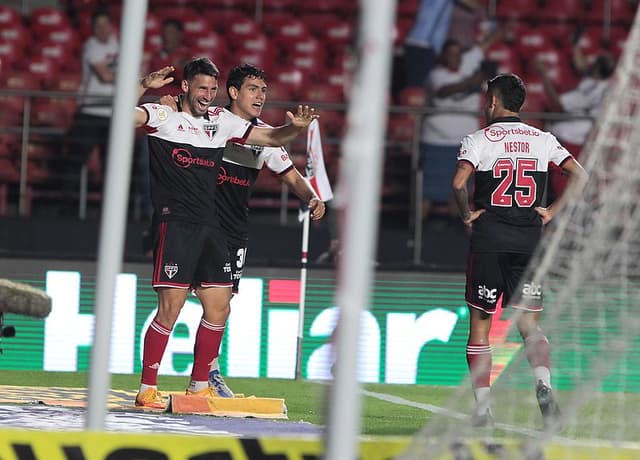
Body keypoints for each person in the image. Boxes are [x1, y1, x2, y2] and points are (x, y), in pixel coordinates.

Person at [133, 59, 318, 409]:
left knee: (219, 308)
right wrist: (144, 84)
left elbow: (271, 137)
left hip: (211, 226)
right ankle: (147, 388)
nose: (207, 95)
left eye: (211, 89)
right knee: (169, 308)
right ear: (185, 87)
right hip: (176, 225)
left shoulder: (222, 123)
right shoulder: (163, 116)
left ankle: (200, 385)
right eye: (201, 87)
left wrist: (295, 129)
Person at [451, 74, 588, 429]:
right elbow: (582, 176)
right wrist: (552, 212)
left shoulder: (478, 139)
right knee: (529, 324)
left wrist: (467, 214)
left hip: (490, 238)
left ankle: (483, 409)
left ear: (493, 102)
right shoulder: (543, 139)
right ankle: (543, 384)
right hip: (529, 240)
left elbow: (458, 183)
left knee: (481, 326)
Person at [420, 35, 497, 224]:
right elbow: (444, 91)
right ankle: (417, 229)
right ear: (443, 56)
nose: (455, 58)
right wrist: (473, 81)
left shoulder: (469, 68)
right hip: (437, 141)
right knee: (429, 190)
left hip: (465, 142)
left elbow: (484, 44)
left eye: (457, 54)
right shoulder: (436, 74)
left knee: (460, 187)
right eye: (450, 54)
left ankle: (455, 228)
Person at [533, 45, 613, 199]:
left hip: (570, 140)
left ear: (596, 69)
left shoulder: (595, 88)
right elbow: (582, 67)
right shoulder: (600, 84)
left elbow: (558, 104)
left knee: (560, 187)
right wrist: (575, 46)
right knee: (557, 185)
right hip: (573, 139)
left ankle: (559, 218)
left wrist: (543, 74)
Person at [62, 9, 118, 211]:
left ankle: (110, 210)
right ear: (93, 29)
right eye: (98, 26)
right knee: (76, 161)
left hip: (114, 113)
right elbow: (105, 75)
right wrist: (130, 73)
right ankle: (65, 208)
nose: (102, 30)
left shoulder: (119, 45)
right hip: (90, 111)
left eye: (105, 25)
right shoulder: (91, 46)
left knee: (111, 165)